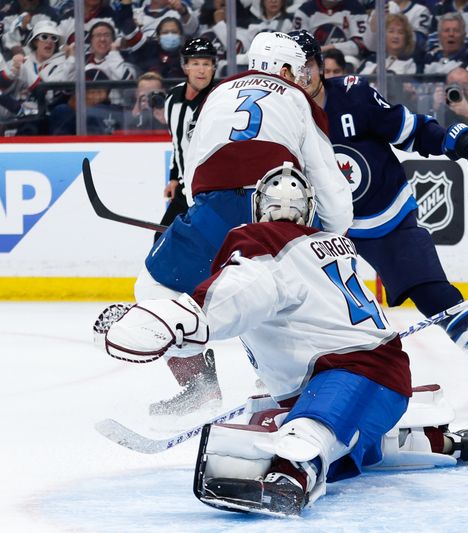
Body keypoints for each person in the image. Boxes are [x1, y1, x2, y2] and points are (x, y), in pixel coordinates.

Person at [104, 163, 468, 516]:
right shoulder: (331, 242)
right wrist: (183, 334)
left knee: (305, 431)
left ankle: (292, 475)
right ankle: (429, 440)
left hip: (353, 373)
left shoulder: (261, 241)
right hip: (367, 375)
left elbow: (240, 295)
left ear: (259, 206)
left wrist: (177, 318)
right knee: (270, 417)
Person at [289, 30, 468, 404]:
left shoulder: (354, 94)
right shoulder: (281, 113)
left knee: (435, 295)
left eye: (306, 65)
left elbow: (411, 130)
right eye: (291, 67)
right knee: (300, 305)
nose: (300, 75)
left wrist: (457, 141)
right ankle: (303, 386)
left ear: (320, 66)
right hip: (322, 228)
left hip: (384, 214)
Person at [132, 31, 353, 417]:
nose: (301, 78)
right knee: (277, 295)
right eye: (297, 70)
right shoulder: (298, 98)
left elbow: (196, 165)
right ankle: (288, 384)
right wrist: (332, 237)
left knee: (154, 285)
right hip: (276, 210)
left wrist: (199, 219)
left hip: (212, 208)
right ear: (284, 68)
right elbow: (326, 180)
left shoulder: (217, 94)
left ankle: (197, 384)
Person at [155, 37, 217, 243]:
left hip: (211, 192)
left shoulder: (219, 100)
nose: (201, 70)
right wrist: (173, 177)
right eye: (196, 63)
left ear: (213, 68)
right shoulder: (172, 98)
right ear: (185, 67)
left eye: (206, 64)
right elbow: (177, 143)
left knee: (209, 246)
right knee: (162, 239)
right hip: (184, 189)